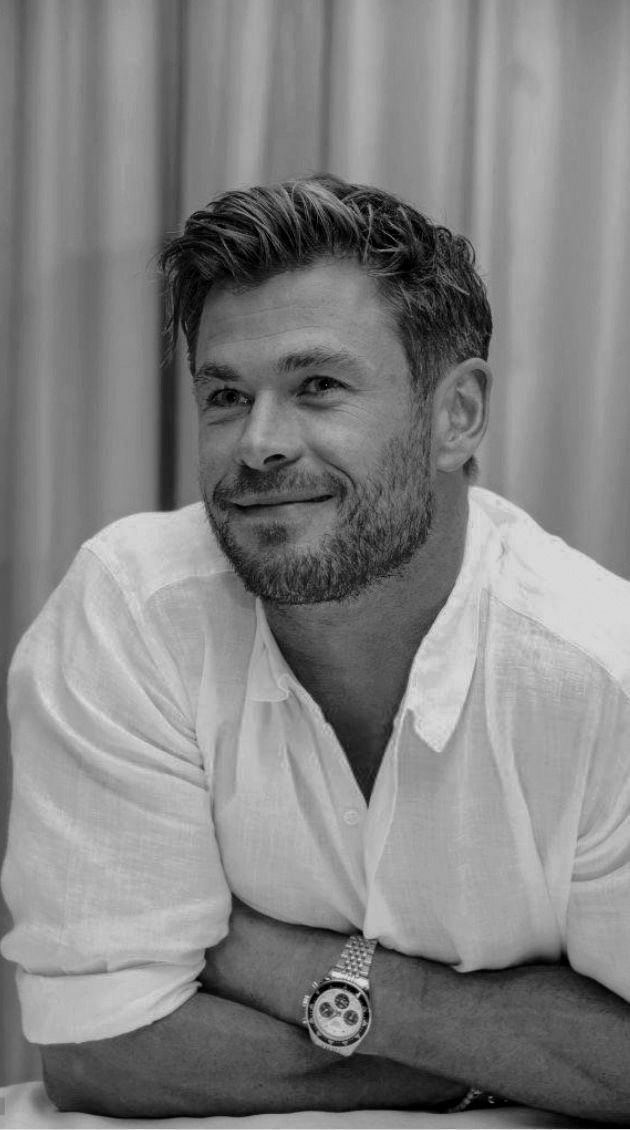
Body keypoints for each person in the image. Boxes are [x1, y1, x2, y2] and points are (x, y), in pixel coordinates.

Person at [2, 173, 630, 1124]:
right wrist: (519, 1050)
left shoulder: (599, 676)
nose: (257, 445)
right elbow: (98, 1051)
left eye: (318, 386)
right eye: (224, 395)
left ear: (455, 415)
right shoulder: (131, 612)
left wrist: (299, 968)